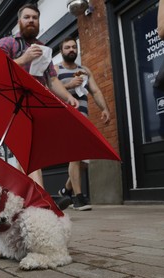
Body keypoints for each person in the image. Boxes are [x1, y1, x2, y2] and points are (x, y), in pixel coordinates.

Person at [0, 3, 79, 189]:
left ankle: (20, 199)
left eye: (35, 18)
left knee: (25, 157)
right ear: (19, 22)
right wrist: (24, 59)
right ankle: (42, 201)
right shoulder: (7, 43)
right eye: (27, 17)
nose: (31, 21)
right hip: (13, 107)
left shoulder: (44, 49)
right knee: (28, 152)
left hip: (35, 106)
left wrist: (68, 97)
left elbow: (52, 80)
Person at [54, 37, 111, 211]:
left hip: (84, 117)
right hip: (66, 117)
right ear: (61, 51)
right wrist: (70, 84)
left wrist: (105, 109)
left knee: (84, 162)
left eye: (73, 47)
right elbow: (49, 92)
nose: (71, 49)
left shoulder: (84, 70)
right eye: (67, 47)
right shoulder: (56, 69)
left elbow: (95, 90)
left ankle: (66, 191)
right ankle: (78, 199)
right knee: (75, 155)